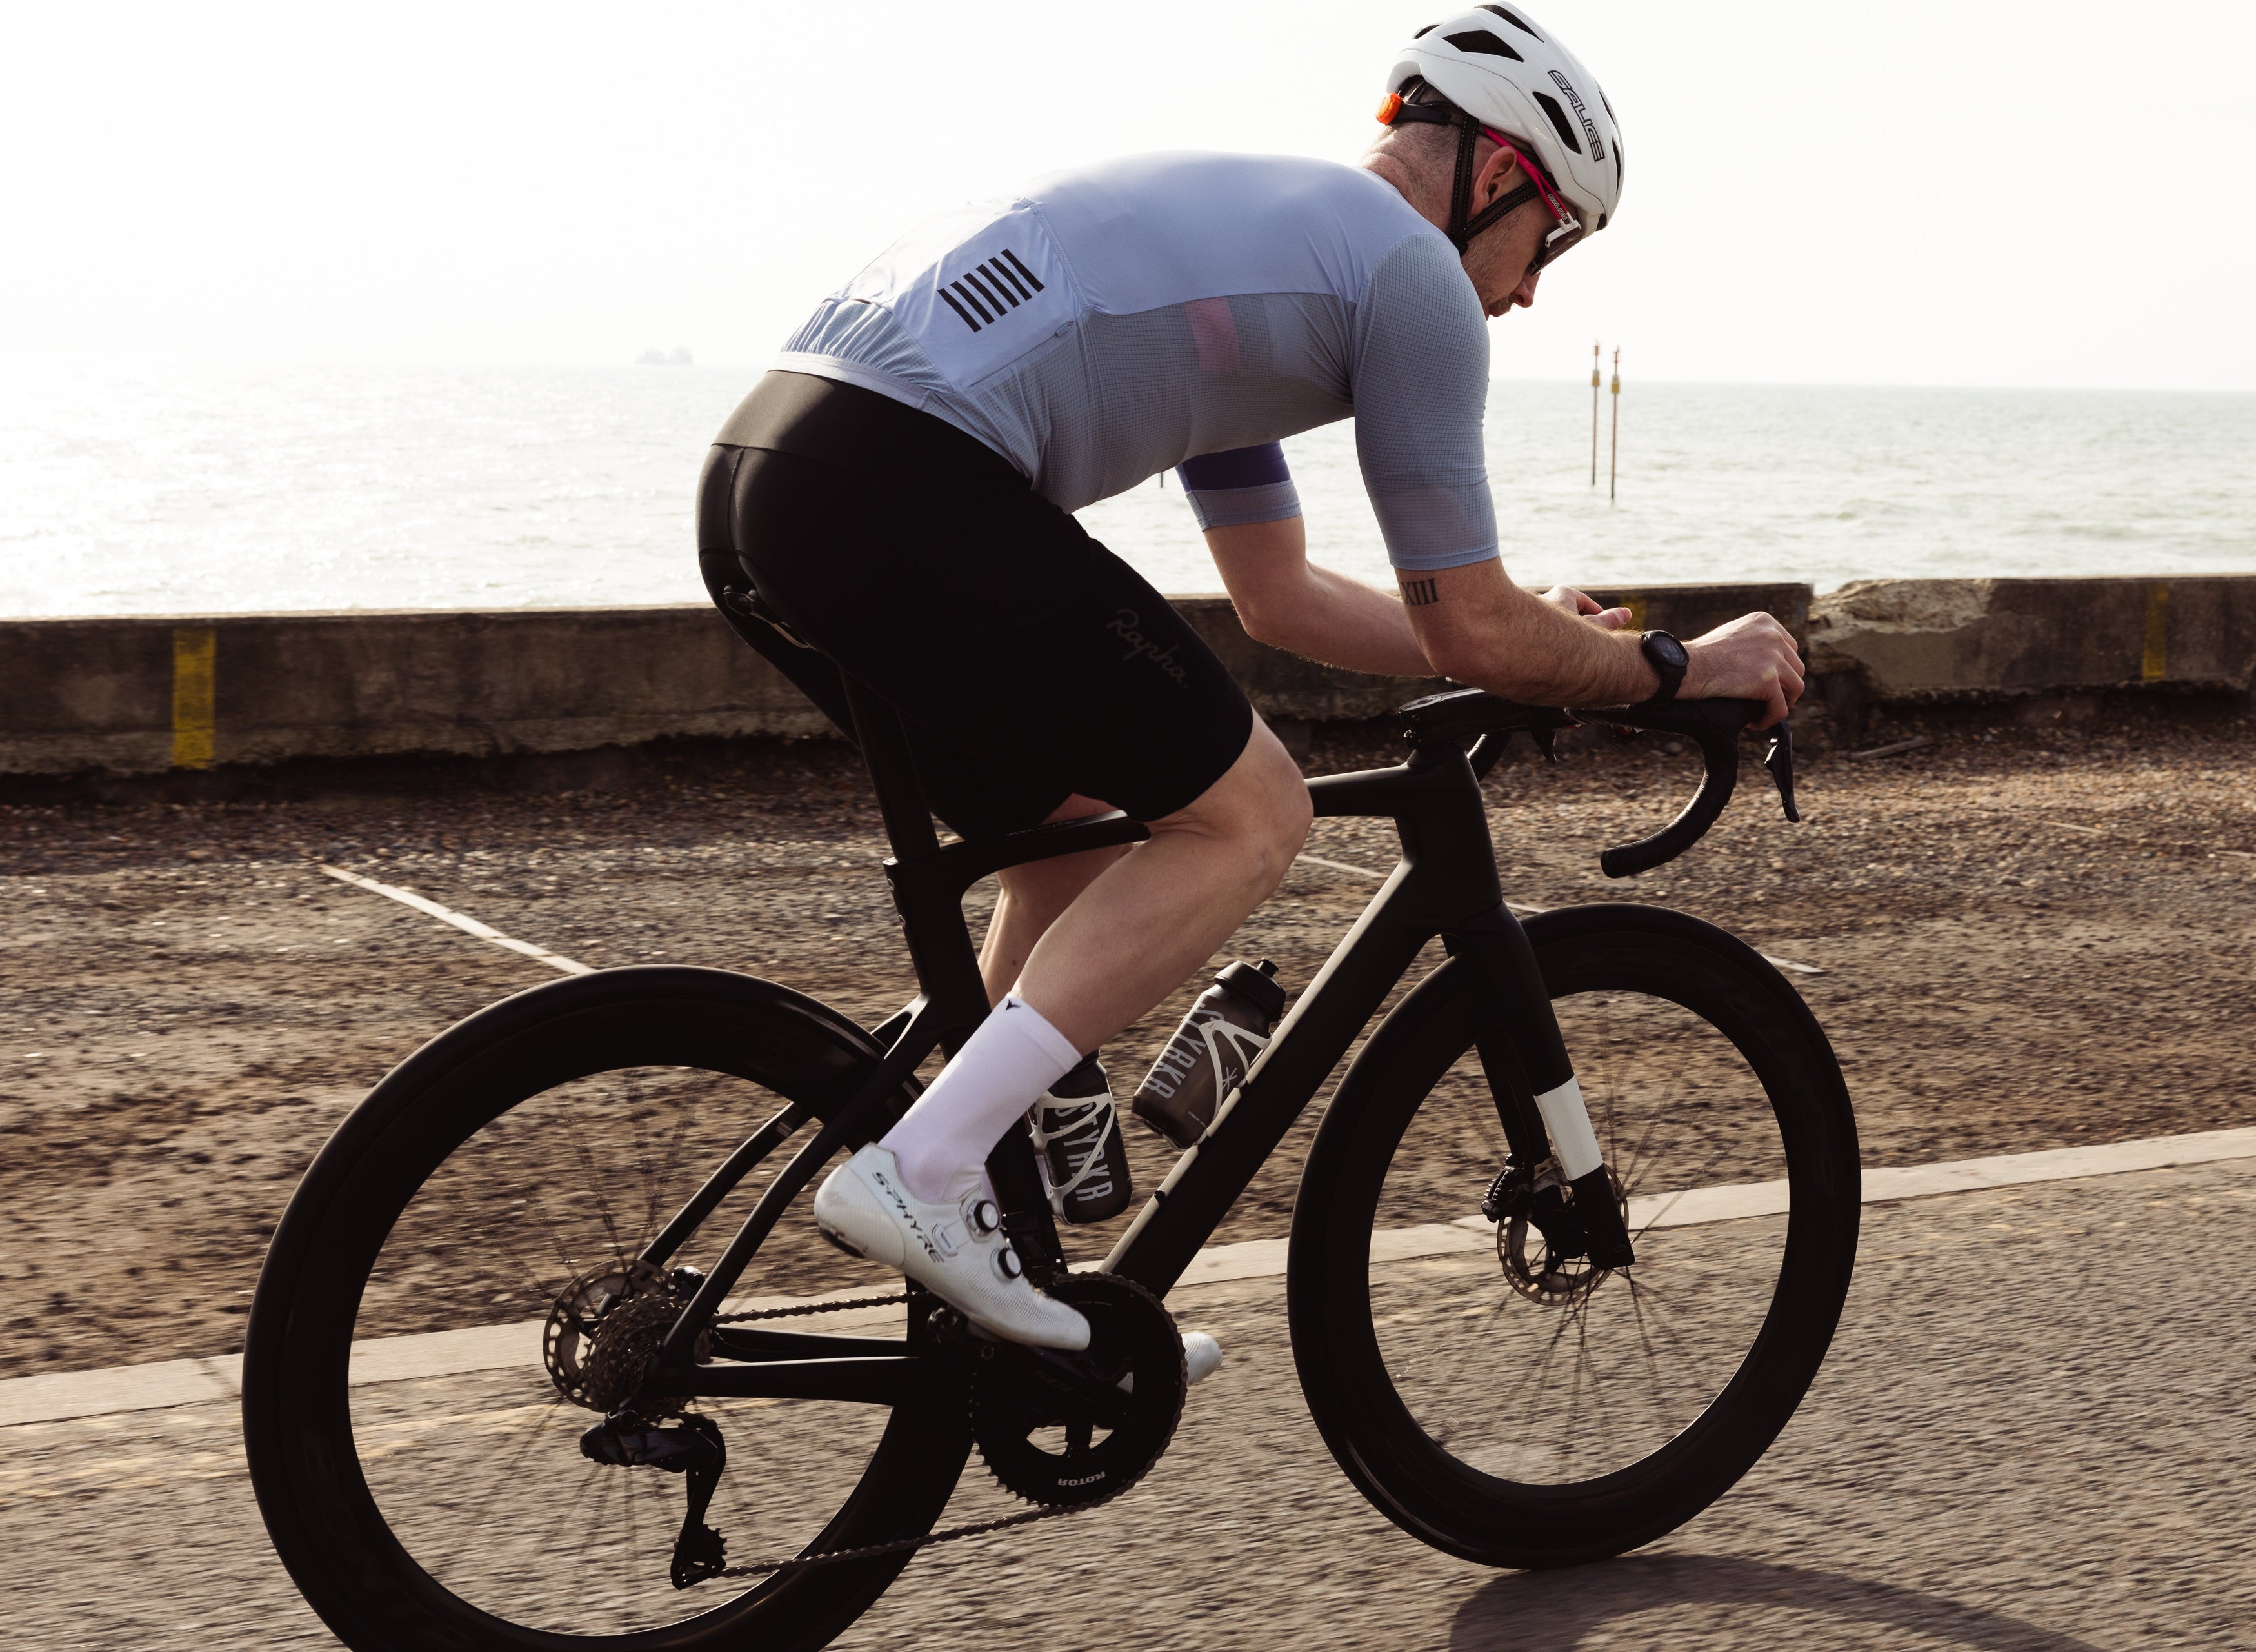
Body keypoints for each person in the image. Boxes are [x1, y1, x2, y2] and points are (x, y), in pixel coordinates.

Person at [697, 6, 1804, 1352]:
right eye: (1553, 239)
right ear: (1500, 174)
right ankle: (925, 1170)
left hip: (768, 473)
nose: (1528, 292)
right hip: (899, 478)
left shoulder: (1264, 268)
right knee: (1253, 815)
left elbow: (1282, 599)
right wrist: (1674, 666)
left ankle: (982, 1227)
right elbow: (1467, 629)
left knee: (1075, 836)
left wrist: (1532, 641)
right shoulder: (1406, 275)